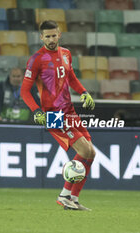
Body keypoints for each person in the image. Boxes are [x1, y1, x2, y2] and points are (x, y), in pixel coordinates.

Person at [20, 20, 96, 211]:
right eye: (47, 36)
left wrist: (84, 92)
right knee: (85, 152)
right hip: (53, 114)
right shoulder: (37, 59)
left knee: (91, 153)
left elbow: (70, 77)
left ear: (59, 34)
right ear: (41, 37)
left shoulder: (66, 54)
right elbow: (24, 91)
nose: (51, 39)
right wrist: (36, 111)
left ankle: (72, 198)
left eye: (54, 35)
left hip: (69, 110)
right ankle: (64, 195)